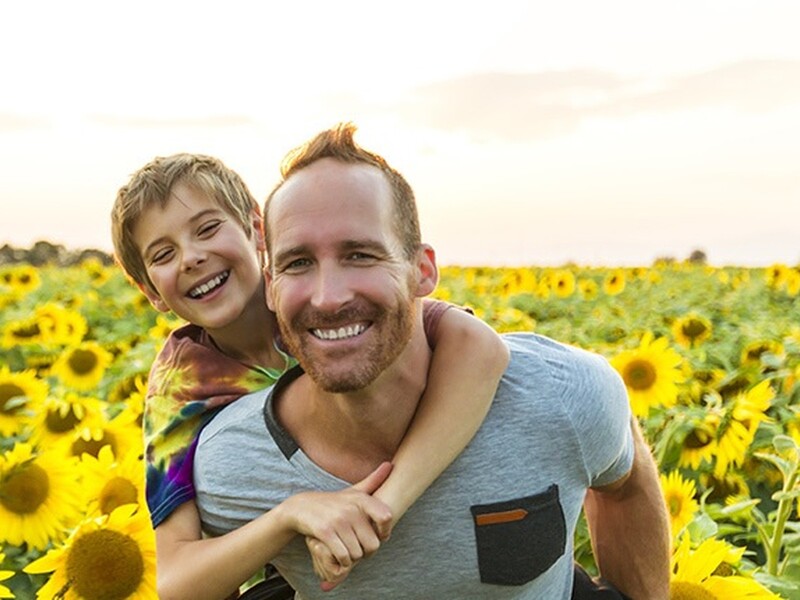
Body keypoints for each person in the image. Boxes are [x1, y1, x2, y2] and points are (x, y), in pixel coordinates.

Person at [193, 123, 672, 599]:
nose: (328, 296)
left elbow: (625, 485)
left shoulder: (561, 396)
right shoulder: (232, 462)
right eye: (298, 263)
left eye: (360, 255)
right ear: (271, 288)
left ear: (422, 271)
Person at [111, 153, 510, 599]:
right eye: (163, 254)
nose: (192, 257)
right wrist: (290, 516)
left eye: (207, 229)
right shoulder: (181, 388)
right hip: (303, 570)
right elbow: (175, 580)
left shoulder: (316, 299)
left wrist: (381, 506)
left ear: (257, 230)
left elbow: (479, 346)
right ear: (150, 291)